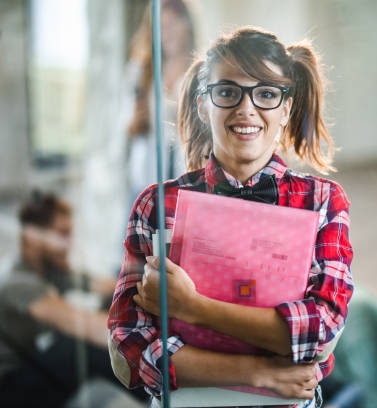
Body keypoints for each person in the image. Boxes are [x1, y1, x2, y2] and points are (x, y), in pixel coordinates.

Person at [108, 27, 354, 407]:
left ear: (286, 109)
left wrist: (193, 308)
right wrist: (263, 373)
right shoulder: (157, 205)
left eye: (267, 94)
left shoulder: (321, 201)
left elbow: (321, 330)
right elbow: (130, 346)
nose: (246, 108)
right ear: (204, 105)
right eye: (227, 92)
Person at [0, 191, 138, 406]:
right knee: (76, 347)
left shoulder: (50, 271)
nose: (68, 243)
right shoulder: (17, 281)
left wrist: (145, 284)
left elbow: (107, 286)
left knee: (112, 302)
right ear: (33, 236)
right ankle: (155, 392)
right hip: (8, 389)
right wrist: (145, 339)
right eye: (62, 234)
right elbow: (81, 325)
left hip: (29, 370)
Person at [124, 0, 194, 205]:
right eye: (162, 27)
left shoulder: (201, 72)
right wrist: (139, 116)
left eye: (173, 25)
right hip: (146, 181)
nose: (168, 34)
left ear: (187, 25)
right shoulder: (140, 72)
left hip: (185, 181)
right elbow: (126, 124)